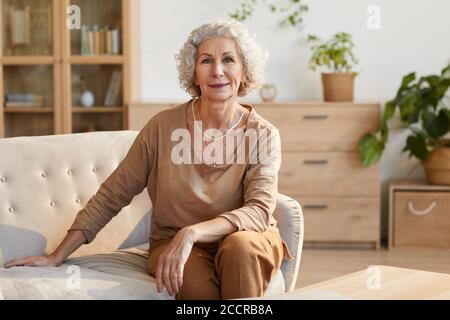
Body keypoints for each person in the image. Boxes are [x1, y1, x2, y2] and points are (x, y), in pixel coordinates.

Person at [4, 20, 292, 300]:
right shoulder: (162, 127)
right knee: (196, 289)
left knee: (239, 249)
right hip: (177, 243)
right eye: (206, 61)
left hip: (247, 239)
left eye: (228, 60)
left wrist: (191, 233)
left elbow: (258, 210)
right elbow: (113, 194)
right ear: (194, 73)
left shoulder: (263, 134)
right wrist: (56, 256)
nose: (217, 70)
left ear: (244, 71)